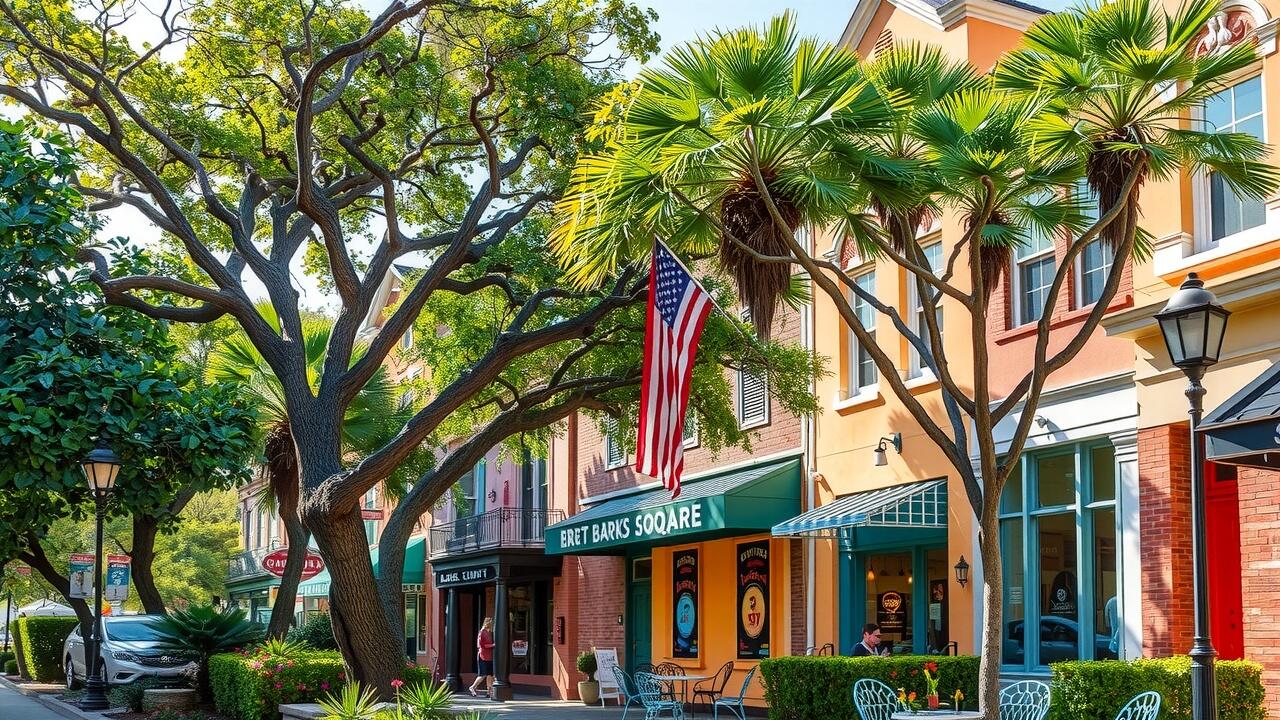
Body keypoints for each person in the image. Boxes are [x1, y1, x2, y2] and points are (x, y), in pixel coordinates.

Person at [469, 617, 496, 697]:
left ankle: (489, 692)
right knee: (483, 674)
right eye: (491, 623)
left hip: (489, 656)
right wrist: (492, 645)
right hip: (483, 656)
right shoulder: (482, 632)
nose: (492, 624)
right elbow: (481, 645)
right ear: (488, 623)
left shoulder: (489, 632)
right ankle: (473, 687)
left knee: (490, 675)